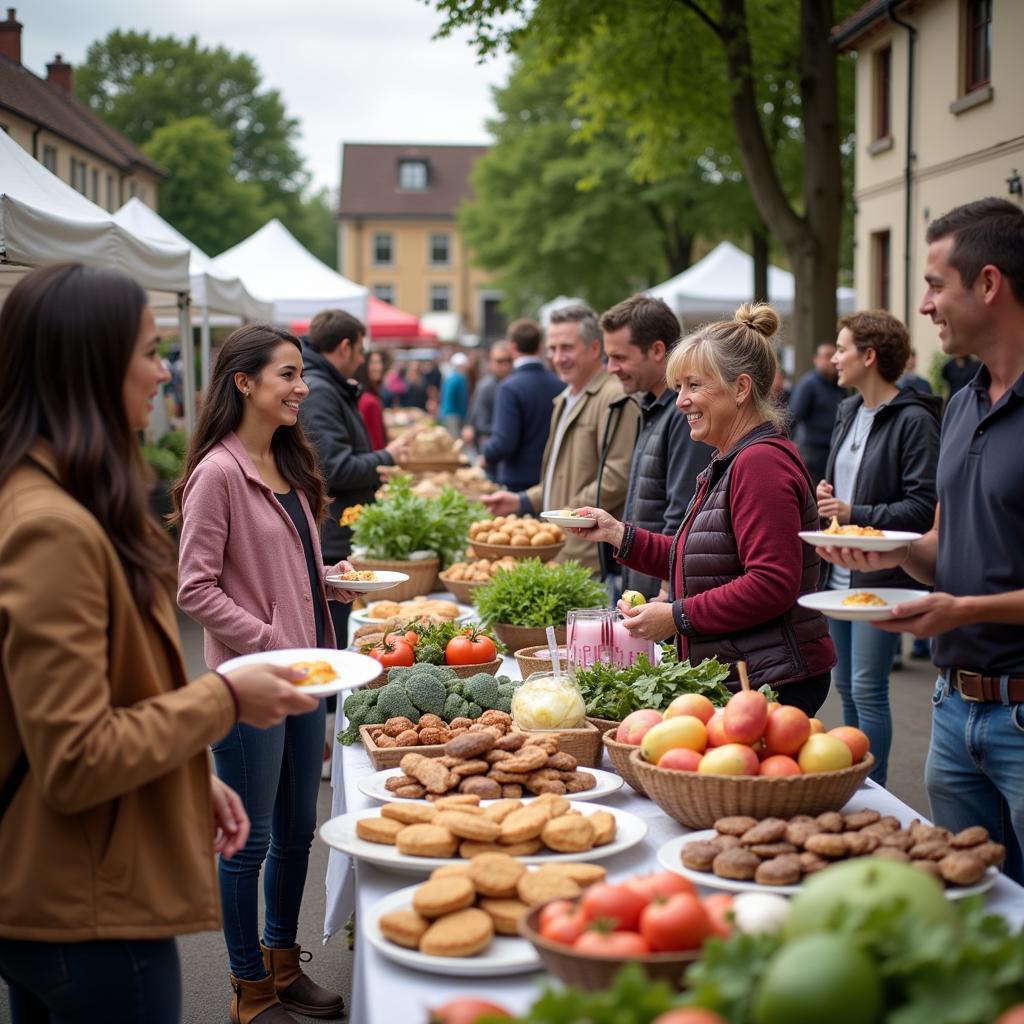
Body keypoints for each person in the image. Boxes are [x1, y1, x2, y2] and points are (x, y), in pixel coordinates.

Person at [0, 263, 317, 1024]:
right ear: (90, 363)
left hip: (62, 887)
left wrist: (180, 768)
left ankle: (275, 967)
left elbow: (77, 704)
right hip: (88, 900)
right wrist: (226, 695)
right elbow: (75, 756)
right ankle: (251, 983)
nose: (165, 371)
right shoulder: (50, 522)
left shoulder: (54, 497)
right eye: (148, 350)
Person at [819, 197, 1024, 883]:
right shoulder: (963, 403)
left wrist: (961, 610)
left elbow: (964, 590)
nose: (926, 306)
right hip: (951, 711)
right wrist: (886, 550)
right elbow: (943, 545)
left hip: (1018, 718)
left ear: (988, 284)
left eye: (936, 284)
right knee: (972, 915)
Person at [175, 324, 359, 1023]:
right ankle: (247, 988)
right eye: (287, 373)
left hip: (304, 674)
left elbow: (278, 574)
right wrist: (273, 640)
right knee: (248, 843)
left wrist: (329, 581)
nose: (302, 386)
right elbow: (195, 589)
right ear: (243, 382)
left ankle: (283, 967)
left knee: (295, 831)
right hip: (253, 686)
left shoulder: (286, 459)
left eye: (301, 373)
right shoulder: (218, 472)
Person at [575, 303, 836, 712]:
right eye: (678, 388)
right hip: (749, 673)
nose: (681, 401)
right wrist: (617, 534)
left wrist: (676, 616)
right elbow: (697, 559)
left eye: (693, 386)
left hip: (771, 682)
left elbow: (771, 583)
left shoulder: (759, 462)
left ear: (741, 388)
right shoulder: (731, 459)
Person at [815, 311, 941, 785]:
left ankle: (876, 790)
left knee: (868, 690)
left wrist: (854, 512)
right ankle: (857, 784)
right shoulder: (848, 410)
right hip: (839, 571)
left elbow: (921, 508)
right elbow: (846, 493)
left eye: (843, 348)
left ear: (869, 356)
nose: (835, 356)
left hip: (884, 577)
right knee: (846, 687)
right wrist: (830, 498)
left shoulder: (913, 420)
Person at [482, 305, 639, 573]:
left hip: (591, 557)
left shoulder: (613, 398)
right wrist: (521, 500)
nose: (558, 358)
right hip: (564, 549)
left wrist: (562, 515)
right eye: (553, 349)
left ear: (593, 348)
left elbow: (617, 477)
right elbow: (560, 477)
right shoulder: (565, 398)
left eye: (567, 347)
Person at [298, 311, 409, 650]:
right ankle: (331, 702)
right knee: (333, 639)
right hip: (333, 536)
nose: (362, 360)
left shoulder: (328, 386)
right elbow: (334, 467)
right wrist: (386, 457)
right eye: (361, 351)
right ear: (345, 347)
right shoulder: (320, 391)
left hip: (338, 529)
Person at [600, 294, 712, 599]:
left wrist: (666, 589)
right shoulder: (651, 408)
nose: (611, 368)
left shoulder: (682, 414)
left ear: (657, 350)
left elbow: (682, 514)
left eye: (620, 358)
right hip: (645, 587)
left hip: (662, 595)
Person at [481, 318, 564, 491]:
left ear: (512, 347)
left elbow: (504, 442)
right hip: (553, 478)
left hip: (518, 480)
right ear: (540, 346)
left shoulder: (509, 387)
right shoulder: (560, 384)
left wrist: (486, 453)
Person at [788, 340, 845, 482]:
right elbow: (793, 416)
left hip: (834, 451)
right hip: (813, 453)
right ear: (816, 359)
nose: (832, 360)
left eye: (834, 355)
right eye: (827, 356)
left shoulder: (840, 384)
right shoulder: (808, 384)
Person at [463, 341, 513, 453]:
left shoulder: (516, 384)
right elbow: (477, 416)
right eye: (500, 362)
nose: (505, 366)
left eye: (509, 361)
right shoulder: (485, 387)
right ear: (491, 363)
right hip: (489, 446)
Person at [355, 349, 390, 450]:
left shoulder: (361, 395)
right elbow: (376, 444)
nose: (379, 367)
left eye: (380, 363)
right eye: (374, 363)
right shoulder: (370, 401)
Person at [438, 351, 470, 437]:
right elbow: (461, 399)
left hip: (448, 414)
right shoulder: (459, 379)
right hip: (453, 415)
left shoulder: (449, 378)